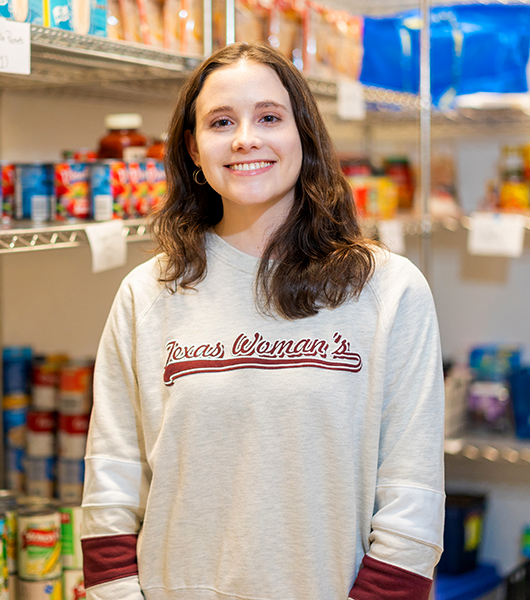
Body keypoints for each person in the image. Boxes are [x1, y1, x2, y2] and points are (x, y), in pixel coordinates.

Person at [81, 41, 445, 600]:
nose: (246, 138)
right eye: (221, 121)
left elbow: (411, 493)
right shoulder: (148, 294)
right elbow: (112, 479)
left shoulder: (387, 289)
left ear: (303, 134)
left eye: (269, 117)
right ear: (193, 150)